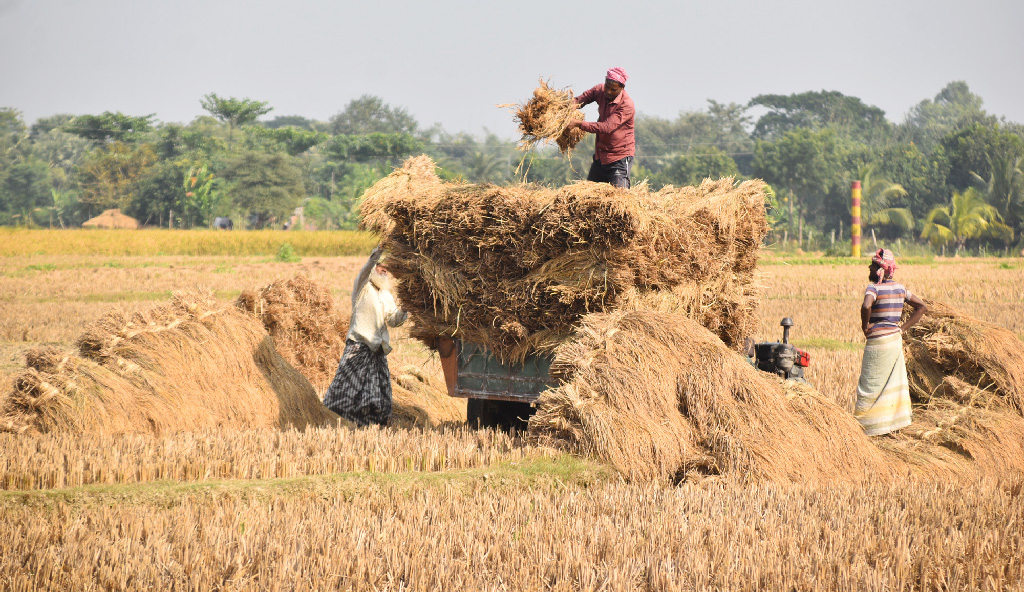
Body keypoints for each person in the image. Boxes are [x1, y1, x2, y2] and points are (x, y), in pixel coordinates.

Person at [323, 246, 408, 426]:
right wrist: (379, 252)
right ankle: (336, 421)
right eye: (380, 266)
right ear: (374, 267)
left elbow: (393, 320)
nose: (384, 270)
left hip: (377, 352)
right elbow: (366, 268)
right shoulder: (363, 287)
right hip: (358, 347)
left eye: (387, 268)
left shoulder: (386, 295)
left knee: (379, 394)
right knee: (345, 389)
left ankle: (371, 426)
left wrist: (406, 308)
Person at [853, 248, 927, 436]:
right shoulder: (901, 288)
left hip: (878, 342)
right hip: (894, 341)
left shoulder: (873, 288)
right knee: (891, 383)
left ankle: (868, 426)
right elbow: (921, 306)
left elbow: (866, 305)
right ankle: (891, 425)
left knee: (870, 384)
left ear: (880, 269)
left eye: (872, 265)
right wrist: (902, 329)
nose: (869, 267)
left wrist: (865, 325)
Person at [565, 67, 636, 188]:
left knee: (620, 198)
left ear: (622, 88)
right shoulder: (600, 90)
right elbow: (582, 99)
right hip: (600, 157)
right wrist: (569, 107)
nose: (608, 92)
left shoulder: (626, 105)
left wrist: (578, 124)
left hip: (619, 158)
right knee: (589, 196)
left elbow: (607, 127)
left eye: (613, 89)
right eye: (607, 87)